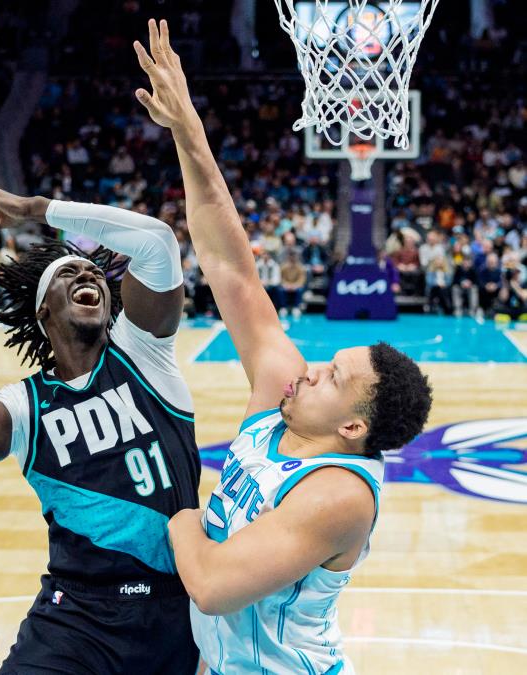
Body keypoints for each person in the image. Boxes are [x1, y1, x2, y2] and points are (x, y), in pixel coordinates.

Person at [133, 19, 432, 674]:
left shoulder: (340, 494)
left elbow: (213, 586)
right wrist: (190, 133)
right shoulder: (280, 397)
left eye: (333, 378)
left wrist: (179, 515)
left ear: (353, 427)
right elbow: (231, 267)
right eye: (329, 364)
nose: (312, 370)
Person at [0, 171, 202, 673]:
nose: (87, 277)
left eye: (93, 274)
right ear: (44, 310)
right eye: (69, 275)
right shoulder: (26, 405)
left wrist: (38, 210)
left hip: (173, 607)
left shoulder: (145, 355)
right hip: (76, 616)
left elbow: (157, 242)